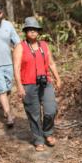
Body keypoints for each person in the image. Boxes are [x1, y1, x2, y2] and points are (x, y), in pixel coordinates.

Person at [13, 17, 62, 150]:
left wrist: (57, 78)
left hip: (45, 83)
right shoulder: (20, 47)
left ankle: (48, 132)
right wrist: (19, 86)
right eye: (30, 30)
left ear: (38, 32)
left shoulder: (44, 45)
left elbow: (51, 63)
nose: (33, 32)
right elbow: (16, 68)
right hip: (28, 84)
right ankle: (38, 139)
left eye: (35, 30)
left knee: (51, 110)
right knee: (34, 114)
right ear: (25, 32)